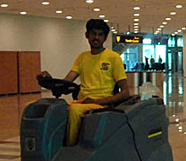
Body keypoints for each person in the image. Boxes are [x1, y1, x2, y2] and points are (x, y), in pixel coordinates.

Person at [38, 18, 130, 146]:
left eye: (100, 34)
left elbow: (125, 92)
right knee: (52, 109)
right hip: (82, 101)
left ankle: (70, 149)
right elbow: (67, 81)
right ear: (87, 35)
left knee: (74, 111)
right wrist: (49, 79)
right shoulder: (82, 57)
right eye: (93, 33)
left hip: (100, 103)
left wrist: (96, 101)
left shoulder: (113, 58)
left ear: (105, 38)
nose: (96, 37)